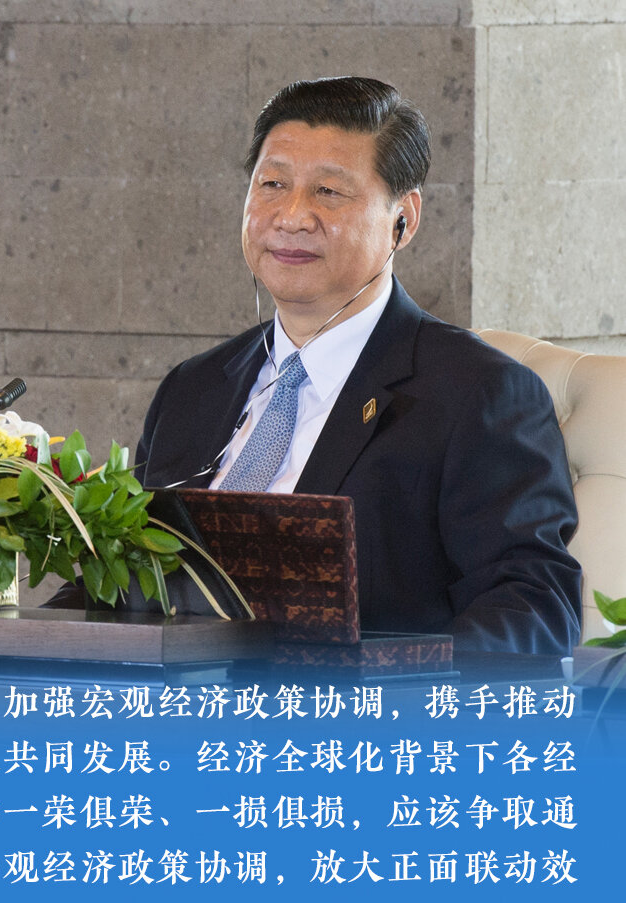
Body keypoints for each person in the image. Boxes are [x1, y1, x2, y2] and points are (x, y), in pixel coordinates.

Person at [137, 76, 581, 655]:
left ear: (404, 219)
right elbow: (122, 585)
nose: (292, 216)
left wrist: (381, 689)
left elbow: (532, 611)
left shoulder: (480, 395)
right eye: (272, 184)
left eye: (328, 191)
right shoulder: (192, 388)